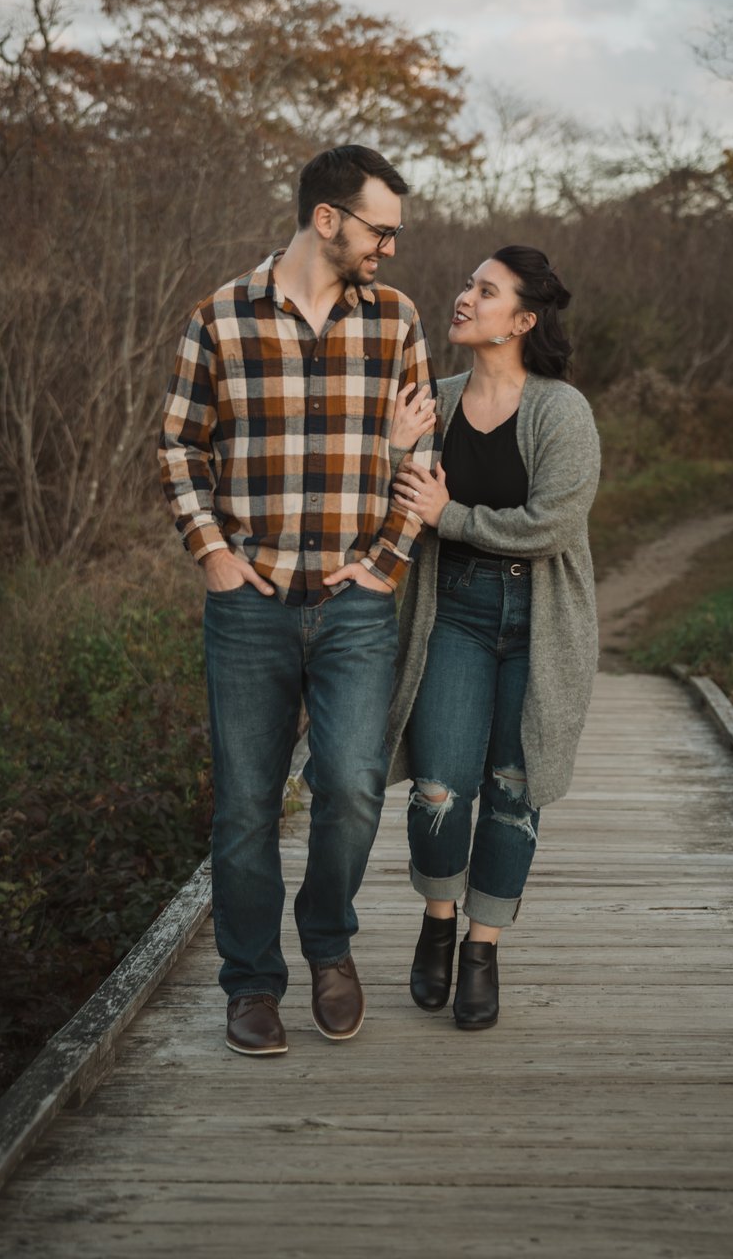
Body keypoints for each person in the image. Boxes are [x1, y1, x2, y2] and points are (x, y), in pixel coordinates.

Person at [158, 145, 437, 1057]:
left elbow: (421, 462)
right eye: (379, 229)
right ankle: (251, 983)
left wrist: (388, 563)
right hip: (250, 602)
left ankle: (328, 947)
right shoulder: (219, 318)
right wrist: (213, 557)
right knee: (244, 804)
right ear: (328, 218)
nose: (388, 248)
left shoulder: (396, 321)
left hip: (356, 602)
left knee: (352, 788)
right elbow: (180, 450)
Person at [387, 245, 599, 1030]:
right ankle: (439, 922)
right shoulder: (430, 404)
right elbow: (397, 508)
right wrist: (392, 453)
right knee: (439, 784)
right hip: (457, 611)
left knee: (515, 789)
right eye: (468, 286)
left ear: (523, 318)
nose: (463, 297)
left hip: (541, 621)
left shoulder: (561, 411)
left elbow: (553, 524)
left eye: (485, 289)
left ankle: (483, 948)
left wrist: (454, 519)